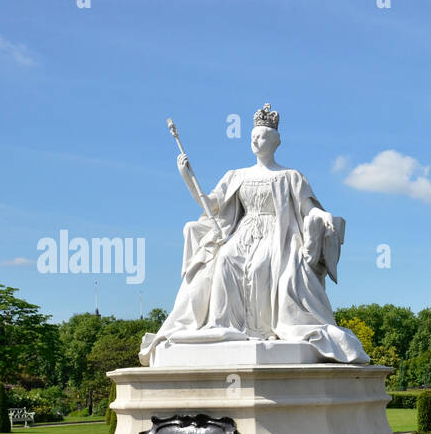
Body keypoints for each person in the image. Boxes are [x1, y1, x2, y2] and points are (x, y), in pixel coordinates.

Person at [140, 104, 367, 367]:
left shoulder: (291, 176)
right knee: (224, 259)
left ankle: (261, 330)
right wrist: (187, 178)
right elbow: (211, 205)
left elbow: (308, 208)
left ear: (275, 141)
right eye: (252, 137)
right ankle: (221, 324)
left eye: (261, 137)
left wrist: (321, 215)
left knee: (262, 265)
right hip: (245, 232)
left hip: (278, 234)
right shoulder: (237, 175)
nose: (256, 142)